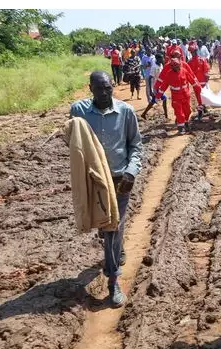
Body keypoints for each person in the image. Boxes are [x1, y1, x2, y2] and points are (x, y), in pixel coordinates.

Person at [70, 71, 143, 306]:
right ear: (90, 88)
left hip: (120, 179)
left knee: (112, 227)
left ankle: (113, 281)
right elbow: (72, 140)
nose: (104, 93)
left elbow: (136, 146)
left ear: (113, 86)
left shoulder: (126, 112)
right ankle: (116, 247)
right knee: (105, 224)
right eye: (99, 88)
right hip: (94, 181)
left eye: (108, 88)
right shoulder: (79, 112)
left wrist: (131, 172)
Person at [154, 51, 203, 134]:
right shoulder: (168, 72)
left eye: (178, 56)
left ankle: (185, 122)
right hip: (176, 96)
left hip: (185, 94)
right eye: (174, 56)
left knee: (187, 111)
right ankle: (181, 128)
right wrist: (157, 93)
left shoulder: (184, 68)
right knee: (179, 112)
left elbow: (192, 78)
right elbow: (163, 83)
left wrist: (198, 87)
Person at [141, 53, 168, 121]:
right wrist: (150, 90)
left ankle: (144, 114)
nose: (163, 59)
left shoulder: (161, 65)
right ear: (158, 59)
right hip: (156, 87)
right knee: (164, 99)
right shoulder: (154, 67)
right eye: (161, 58)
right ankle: (166, 116)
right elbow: (150, 78)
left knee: (153, 101)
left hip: (160, 86)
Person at [188, 46, 211, 121]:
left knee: (200, 98)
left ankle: (200, 113)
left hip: (197, 83)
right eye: (192, 52)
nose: (192, 53)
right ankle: (203, 109)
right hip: (198, 83)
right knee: (201, 97)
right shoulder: (197, 61)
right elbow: (206, 71)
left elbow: (206, 71)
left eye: (192, 52)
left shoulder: (193, 62)